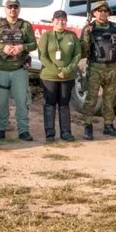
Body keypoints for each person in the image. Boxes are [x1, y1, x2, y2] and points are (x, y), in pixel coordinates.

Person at [0, 0, 38, 142]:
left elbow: (34, 44)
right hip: (1, 69)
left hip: (19, 69)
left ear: (19, 9)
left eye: (15, 7)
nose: (12, 10)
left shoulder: (26, 25)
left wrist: (23, 47)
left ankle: (23, 130)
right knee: (1, 102)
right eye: (10, 7)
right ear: (5, 9)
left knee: (22, 102)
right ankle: (0, 129)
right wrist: (3, 48)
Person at [80, 0, 116, 140]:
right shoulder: (89, 28)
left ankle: (108, 125)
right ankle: (88, 126)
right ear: (94, 13)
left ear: (109, 13)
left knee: (109, 99)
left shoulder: (115, 28)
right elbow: (83, 51)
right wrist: (87, 34)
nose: (102, 13)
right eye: (99, 11)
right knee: (91, 99)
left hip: (111, 67)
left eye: (105, 11)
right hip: (95, 67)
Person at [37, 10, 82, 142]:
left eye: (63, 20)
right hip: (49, 76)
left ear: (66, 21)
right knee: (50, 103)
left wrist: (67, 70)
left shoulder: (72, 36)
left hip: (67, 77)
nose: (60, 22)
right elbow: (42, 56)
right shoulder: (47, 36)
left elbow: (77, 55)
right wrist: (57, 71)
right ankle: (50, 133)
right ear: (52, 21)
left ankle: (66, 132)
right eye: (57, 20)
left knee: (64, 103)